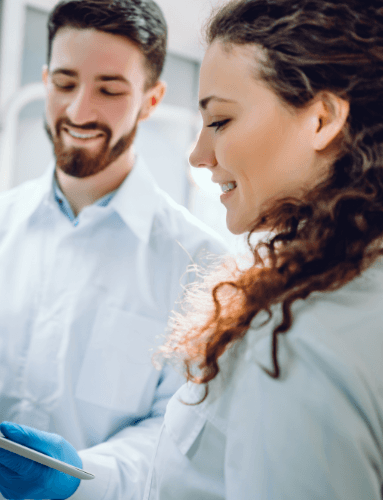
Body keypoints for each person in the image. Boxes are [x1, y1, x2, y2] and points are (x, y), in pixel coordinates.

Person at [0, 1, 227, 499]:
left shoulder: (200, 263)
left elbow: (182, 438)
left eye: (109, 90)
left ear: (151, 99)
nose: (79, 111)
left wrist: (84, 477)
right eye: (64, 83)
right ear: (45, 78)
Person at [141, 0, 383, 498]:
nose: (199, 155)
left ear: (322, 120)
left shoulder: (298, 341)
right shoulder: (352, 288)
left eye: (221, 121)